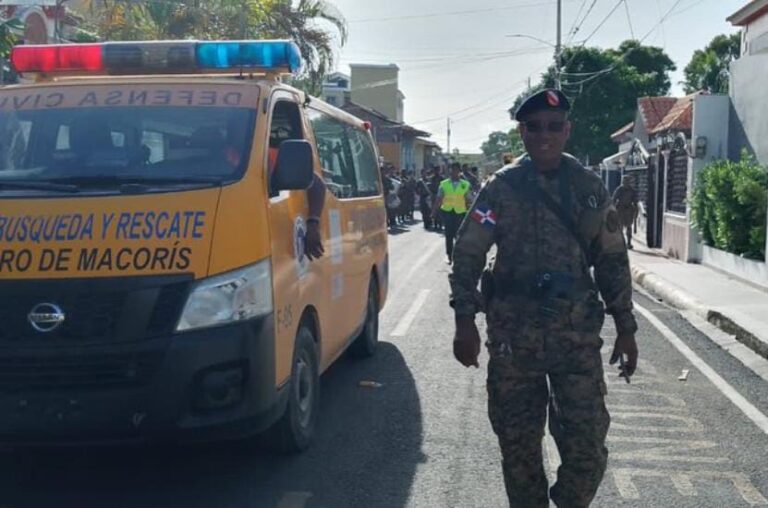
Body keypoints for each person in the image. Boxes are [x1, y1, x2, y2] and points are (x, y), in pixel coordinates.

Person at [449, 89, 639, 507]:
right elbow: (468, 251)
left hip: (575, 341)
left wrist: (626, 326)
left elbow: (611, 258)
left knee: (588, 451)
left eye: (554, 126)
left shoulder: (588, 187)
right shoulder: (501, 189)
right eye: (535, 127)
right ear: (522, 132)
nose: (545, 135)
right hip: (514, 342)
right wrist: (465, 321)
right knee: (518, 453)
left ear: (567, 130)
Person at [432, 162, 472, 264]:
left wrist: (470, 212)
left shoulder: (465, 184)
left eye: (457, 170)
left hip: (460, 212)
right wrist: (434, 212)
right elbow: (439, 199)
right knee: (449, 234)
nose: (454, 172)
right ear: (450, 171)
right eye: (453, 170)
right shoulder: (444, 184)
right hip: (447, 211)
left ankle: (458, 255)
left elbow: (468, 199)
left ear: (460, 172)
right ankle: (449, 255)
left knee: (459, 234)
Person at [612, 175, 639, 249]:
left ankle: (629, 242)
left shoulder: (632, 191)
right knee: (620, 227)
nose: (625, 183)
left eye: (627, 181)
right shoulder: (619, 190)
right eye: (624, 181)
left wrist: (636, 212)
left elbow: (635, 202)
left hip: (629, 210)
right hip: (620, 210)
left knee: (629, 227)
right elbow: (614, 200)